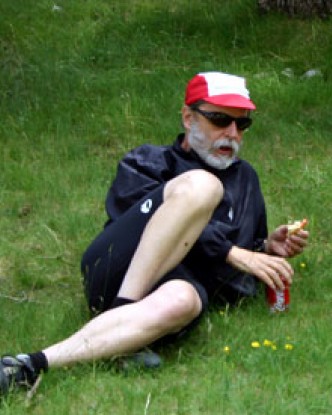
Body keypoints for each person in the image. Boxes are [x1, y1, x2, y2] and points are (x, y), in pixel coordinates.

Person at [0, 71, 309, 394]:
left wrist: (268, 249)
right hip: (116, 272)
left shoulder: (246, 178)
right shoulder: (147, 162)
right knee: (203, 186)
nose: (231, 133)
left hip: (177, 287)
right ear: (188, 117)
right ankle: (120, 312)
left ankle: (29, 365)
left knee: (184, 301)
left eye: (241, 124)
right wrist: (230, 252)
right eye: (219, 120)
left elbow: (241, 269)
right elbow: (150, 229)